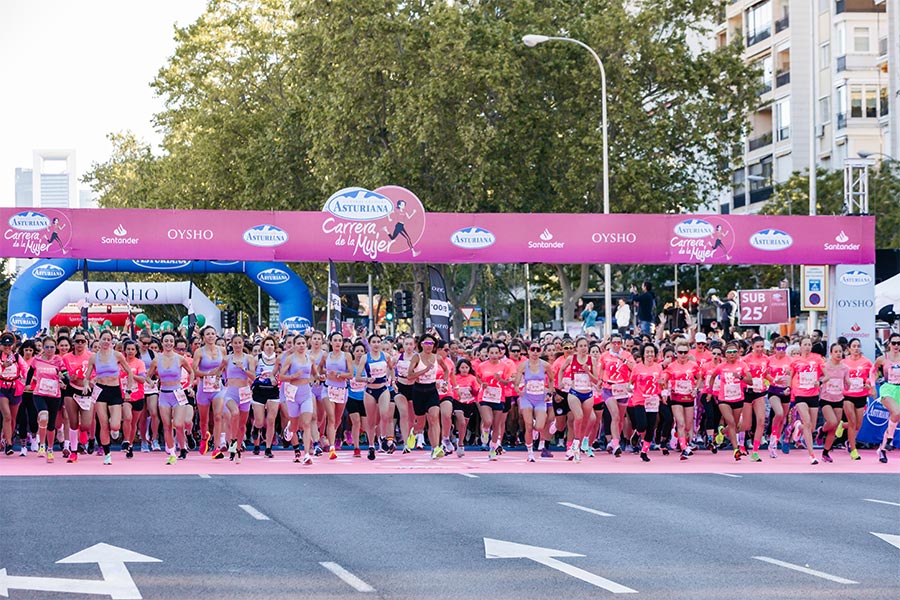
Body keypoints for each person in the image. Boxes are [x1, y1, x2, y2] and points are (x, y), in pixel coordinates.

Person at [83, 330, 134, 465]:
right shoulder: (94, 358)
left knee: (115, 425)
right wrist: (86, 385)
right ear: (99, 340)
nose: (106, 342)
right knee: (103, 424)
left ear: (111, 341)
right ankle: (107, 453)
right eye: (103, 339)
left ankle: (115, 431)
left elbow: (129, 372)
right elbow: (86, 377)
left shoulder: (117, 355)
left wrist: (128, 390)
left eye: (108, 339)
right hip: (100, 390)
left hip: (115, 390)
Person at [148, 332, 194, 465]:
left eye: (171, 341)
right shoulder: (157, 360)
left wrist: (190, 386)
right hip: (164, 394)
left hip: (178, 393)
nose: (168, 343)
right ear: (162, 343)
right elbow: (147, 376)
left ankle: (183, 447)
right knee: (167, 425)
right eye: (166, 341)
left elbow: (191, 372)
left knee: (179, 424)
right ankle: (173, 453)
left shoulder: (180, 358)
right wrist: (152, 382)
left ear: (174, 343)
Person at [708, 341, 752, 462]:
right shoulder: (721, 366)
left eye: (734, 352)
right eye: (729, 352)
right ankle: (735, 450)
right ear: (725, 354)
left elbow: (750, 381)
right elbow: (712, 377)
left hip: (738, 398)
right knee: (732, 423)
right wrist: (711, 391)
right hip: (724, 399)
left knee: (735, 425)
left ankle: (721, 431)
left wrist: (741, 377)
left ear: (738, 353)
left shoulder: (742, 365)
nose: (732, 354)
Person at [407, 334, 450, 459]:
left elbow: (446, 370)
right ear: (421, 344)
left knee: (434, 418)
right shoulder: (416, 358)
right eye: (426, 343)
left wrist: (444, 383)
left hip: (432, 389)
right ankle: (414, 433)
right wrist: (425, 370)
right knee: (420, 424)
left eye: (431, 344)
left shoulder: (437, 358)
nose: (429, 346)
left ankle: (435, 448)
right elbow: (409, 376)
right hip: (418, 390)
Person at [25, 336, 66, 463]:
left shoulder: (58, 360)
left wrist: (63, 380)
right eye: (47, 347)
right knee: (43, 417)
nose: (49, 350)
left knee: (51, 424)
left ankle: (50, 449)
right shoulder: (37, 359)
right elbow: (30, 372)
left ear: (56, 348)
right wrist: (28, 383)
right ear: (43, 348)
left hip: (54, 395)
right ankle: (41, 445)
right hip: (39, 393)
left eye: (52, 347)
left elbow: (65, 375)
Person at [279, 334, 317, 465]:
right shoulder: (290, 359)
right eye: (299, 343)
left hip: (306, 393)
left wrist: (319, 377)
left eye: (303, 343)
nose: (301, 346)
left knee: (306, 423)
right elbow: (281, 376)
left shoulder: (310, 358)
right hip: (293, 394)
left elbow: (315, 374)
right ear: (294, 345)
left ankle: (306, 454)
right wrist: (293, 376)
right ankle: (289, 429)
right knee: (295, 426)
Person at [790, 336, 826, 465]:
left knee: (811, 428)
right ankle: (812, 455)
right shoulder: (795, 361)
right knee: (807, 421)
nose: (807, 346)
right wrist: (790, 390)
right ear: (800, 346)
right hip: (800, 394)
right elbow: (791, 376)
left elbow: (826, 375)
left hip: (813, 394)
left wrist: (820, 381)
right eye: (805, 344)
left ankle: (798, 427)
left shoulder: (817, 359)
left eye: (809, 344)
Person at [191, 326, 226, 456]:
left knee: (218, 416)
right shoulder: (199, 352)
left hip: (217, 388)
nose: (211, 336)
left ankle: (216, 447)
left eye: (213, 333)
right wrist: (207, 373)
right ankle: (205, 437)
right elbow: (194, 370)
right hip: (204, 388)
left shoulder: (222, 350)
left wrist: (221, 376)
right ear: (203, 337)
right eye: (208, 334)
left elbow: (225, 366)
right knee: (204, 419)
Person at [663, 340, 701, 460]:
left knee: (688, 426)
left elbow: (700, 377)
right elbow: (664, 380)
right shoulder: (671, 366)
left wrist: (696, 388)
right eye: (680, 352)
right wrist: (665, 391)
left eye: (685, 352)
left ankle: (682, 440)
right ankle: (684, 448)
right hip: (676, 398)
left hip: (689, 397)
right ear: (676, 353)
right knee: (681, 423)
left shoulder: (693, 365)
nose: (683, 355)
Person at [222, 334, 256, 463]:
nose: (237, 345)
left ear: (243, 344)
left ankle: (238, 448)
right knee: (234, 414)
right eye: (235, 343)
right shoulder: (227, 359)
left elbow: (253, 377)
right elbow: (220, 371)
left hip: (244, 393)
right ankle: (233, 442)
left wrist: (243, 368)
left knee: (242, 425)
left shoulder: (249, 359)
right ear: (231, 344)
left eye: (239, 343)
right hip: (231, 392)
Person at [628, 343, 664, 462]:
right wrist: (629, 388)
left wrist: (662, 385)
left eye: (652, 352)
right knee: (642, 424)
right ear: (643, 354)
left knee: (651, 426)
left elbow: (661, 383)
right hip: (639, 399)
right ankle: (637, 433)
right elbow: (631, 382)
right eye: (647, 352)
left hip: (653, 399)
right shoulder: (637, 367)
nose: (650, 354)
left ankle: (644, 451)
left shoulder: (658, 367)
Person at [320, 332, 353, 459]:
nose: (338, 343)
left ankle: (331, 436)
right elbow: (319, 369)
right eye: (335, 340)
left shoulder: (346, 356)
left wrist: (339, 374)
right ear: (330, 342)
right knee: (331, 418)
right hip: (328, 388)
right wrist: (326, 373)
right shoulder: (326, 356)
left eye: (340, 340)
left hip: (341, 389)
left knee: (337, 419)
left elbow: (350, 374)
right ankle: (332, 447)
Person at [842, 337, 874, 461]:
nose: (856, 348)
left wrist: (868, 384)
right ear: (849, 348)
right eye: (854, 346)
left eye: (858, 346)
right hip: (847, 395)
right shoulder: (844, 362)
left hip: (861, 395)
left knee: (858, 424)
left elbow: (871, 375)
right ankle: (853, 449)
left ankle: (841, 426)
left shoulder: (866, 362)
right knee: (853, 421)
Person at [820, 343, 851, 463]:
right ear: (831, 353)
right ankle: (821, 431)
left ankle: (826, 452)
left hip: (839, 399)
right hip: (826, 399)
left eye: (840, 351)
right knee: (832, 422)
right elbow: (819, 379)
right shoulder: (825, 366)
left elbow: (847, 384)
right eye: (836, 351)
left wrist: (850, 384)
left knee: (834, 427)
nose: (839, 354)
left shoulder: (845, 368)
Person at [872, 332, 900, 463]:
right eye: (894, 343)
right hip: (888, 388)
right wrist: (872, 385)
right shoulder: (883, 358)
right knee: (896, 412)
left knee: (895, 418)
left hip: (899, 389)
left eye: (899, 343)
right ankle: (890, 439)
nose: (896, 345)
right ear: (889, 344)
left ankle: (882, 449)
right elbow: (873, 372)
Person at [251, 336, 280, 457]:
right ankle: (256, 438)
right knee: (259, 421)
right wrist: (260, 378)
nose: (269, 347)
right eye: (267, 345)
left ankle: (268, 448)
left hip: (273, 391)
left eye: (272, 345)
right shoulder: (257, 359)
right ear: (263, 346)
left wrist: (276, 379)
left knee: (271, 421)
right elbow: (252, 375)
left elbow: (283, 374)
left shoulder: (278, 360)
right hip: (259, 391)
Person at [765, 337, 793, 457]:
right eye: (779, 348)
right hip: (774, 390)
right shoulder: (769, 360)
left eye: (783, 348)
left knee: (783, 419)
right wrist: (774, 380)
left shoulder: (791, 360)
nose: (781, 350)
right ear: (774, 349)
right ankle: (771, 437)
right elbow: (765, 374)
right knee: (779, 413)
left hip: (786, 391)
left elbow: (794, 375)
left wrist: (790, 385)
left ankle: (774, 442)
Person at [0, 332, 27, 456]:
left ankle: (7, 437)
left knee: (13, 417)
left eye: (9, 345)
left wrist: (27, 381)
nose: (7, 347)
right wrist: (3, 367)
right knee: (7, 415)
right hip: (2, 388)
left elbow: (25, 369)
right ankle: (9, 443)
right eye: (5, 345)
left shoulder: (17, 357)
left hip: (15, 388)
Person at [119, 340, 146, 460]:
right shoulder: (120, 363)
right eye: (128, 349)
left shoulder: (139, 363)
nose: (130, 351)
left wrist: (130, 374)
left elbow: (142, 379)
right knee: (127, 418)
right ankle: (125, 440)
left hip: (138, 395)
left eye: (132, 349)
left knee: (133, 423)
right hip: (125, 396)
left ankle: (130, 445)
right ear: (124, 350)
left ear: (136, 351)